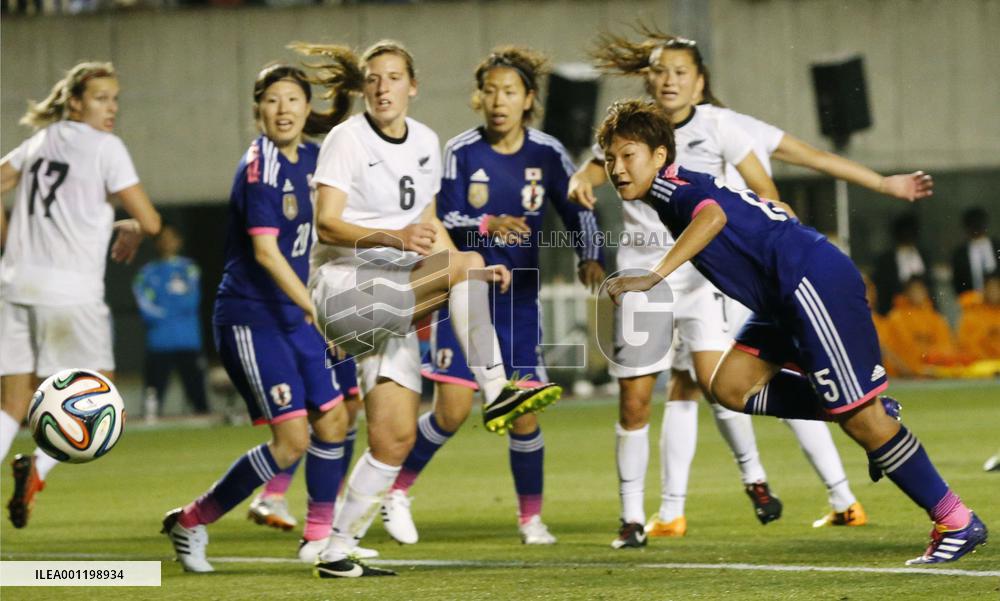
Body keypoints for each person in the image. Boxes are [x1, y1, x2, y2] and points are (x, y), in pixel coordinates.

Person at [600, 98, 988, 565]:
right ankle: (866, 407)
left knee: (863, 424)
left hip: (808, 283)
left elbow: (713, 217)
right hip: (784, 295)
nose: (617, 168)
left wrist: (653, 276)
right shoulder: (674, 187)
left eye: (628, 156)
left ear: (660, 156)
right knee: (729, 386)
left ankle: (956, 520)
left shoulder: (672, 190)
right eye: (610, 158)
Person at [296, 40, 562, 578]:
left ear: (412, 86)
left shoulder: (424, 141)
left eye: (393, 77)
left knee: (394, 440)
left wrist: (467, 270)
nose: (382, 87)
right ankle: (496, 392)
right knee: (463, 262)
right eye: (373, 78)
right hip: (343, 288)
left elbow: (430, 226)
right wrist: (404, 241)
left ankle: (336, 548)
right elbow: (326, 223)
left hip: (393, 296)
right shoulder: (346, 139)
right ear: (364, 87)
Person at [576, 29, 802, 548]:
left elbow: (742, 201)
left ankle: (759, 474)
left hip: (701, 283)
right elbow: (584, 177)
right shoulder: (621, 139)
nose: (669, 79)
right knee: (635, 403)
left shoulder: (709, 137)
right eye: (662, 71)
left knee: (722, 385)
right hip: (639, 283)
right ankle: (631, 518)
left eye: (680, 71)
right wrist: (580, 195)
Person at [376, 46, 604, 547]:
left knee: (523, 410)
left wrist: (592, 254)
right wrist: (487, 223)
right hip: (465, 297)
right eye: (491, 91)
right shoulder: (460, 151)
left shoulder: (547, 153)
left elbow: (578, 205)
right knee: (453, 410)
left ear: (528, 100)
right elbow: (440, 219)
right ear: (479, 98)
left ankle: (531, 520)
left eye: (510, 92)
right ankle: (395, 492)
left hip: (519, 305)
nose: (499, 101)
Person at [161, 63, 350, 573]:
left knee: (334, 419)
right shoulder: (258, 166)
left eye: (293, 99)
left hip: (296, 315)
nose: (283, 108)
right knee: (292, 441)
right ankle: (191, 520)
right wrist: (320, 310)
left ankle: (318, 539)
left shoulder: (316, 159)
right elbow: (266, 253)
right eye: (272, 100)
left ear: (307, 108)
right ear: (257, 110)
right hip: (252, 318)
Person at [0, 61, 161, 529]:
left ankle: (32, 467)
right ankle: (38, 470)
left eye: (115, 99)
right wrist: (132, 226)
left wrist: (9, 241)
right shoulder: (107, 149)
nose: (111, 108)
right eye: (100, 98)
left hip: (13, 285)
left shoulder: (42, 140)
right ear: (75, 102)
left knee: (12, 403)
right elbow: (150, 221)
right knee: (104, 401)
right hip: (70, 293)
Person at [132, 224, 209, 422]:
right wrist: (169, 312)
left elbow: (191, 300)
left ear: (179, 241)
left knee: (198, 396)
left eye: (171, 238)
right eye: (162, 238)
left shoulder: (188, 269)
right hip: (159, 342)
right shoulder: (147, 273)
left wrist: (167, 307)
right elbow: (145, 307)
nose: (167, 242)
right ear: (156, 243)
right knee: (153, 398)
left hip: (188, 341)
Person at [872, 212, 935, 315]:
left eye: (911, 232)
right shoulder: (887, 259)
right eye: (904, 232)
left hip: (923, 312)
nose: (907, 235)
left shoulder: (924, 256)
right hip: (895, 312)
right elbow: (883, 291)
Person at [951, 207, 998, 301]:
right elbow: (958, 285)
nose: (977, 229)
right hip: (973, 304)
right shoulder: (960, 254)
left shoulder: (997, 246)